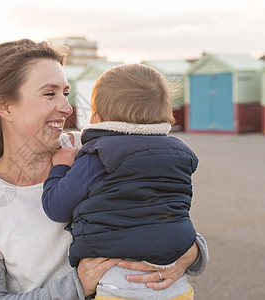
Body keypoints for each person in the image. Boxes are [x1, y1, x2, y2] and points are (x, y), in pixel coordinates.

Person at [0, 40, 208, 299]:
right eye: (49, 94)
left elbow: (166, 206)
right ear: (5, 106)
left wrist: (193, 251)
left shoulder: (98, 147)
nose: (67, 107)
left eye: (66, 92)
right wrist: (76, 286)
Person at [42, 63, 203, 299]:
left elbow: (57, 207)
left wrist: (61, 167)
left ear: (98, 117)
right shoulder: (179, 153)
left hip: (118, 284)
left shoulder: (98, 154)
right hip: (176, 284)